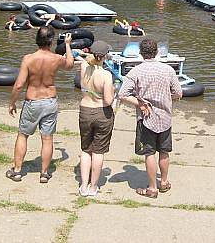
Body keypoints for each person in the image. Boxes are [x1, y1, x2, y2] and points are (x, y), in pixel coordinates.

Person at [6, 27, 74, 183]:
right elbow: (70, 64)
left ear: (37, 39)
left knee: (23, 135)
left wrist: (12, 102)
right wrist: (68, 44)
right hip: (50, 100)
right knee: (47, 138)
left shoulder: (28, 59)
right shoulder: (56, 58)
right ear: (51, 41)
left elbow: (19, 85)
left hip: (33, 101)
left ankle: (17, 171)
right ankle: (44, 173)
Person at [119, 39, 182, 198]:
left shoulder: (135, 72)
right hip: (165, 117)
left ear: (141, 53)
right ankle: (164, 182)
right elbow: (178, 93)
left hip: (146, 119)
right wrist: (168, 98)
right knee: (164, 152)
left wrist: (139, 102)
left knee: (149, 153)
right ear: (157, 52)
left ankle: (152, 188)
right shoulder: (168, 70)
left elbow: (122, 95)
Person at [78, 41, 115, 197]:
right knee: (98, 151)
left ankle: (83, 185)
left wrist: (88, 54)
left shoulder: (83, 67)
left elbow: (84, 58)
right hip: (101, 112)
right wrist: (113, 91)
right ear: (105, 56)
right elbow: (108, 100)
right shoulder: (106, 75)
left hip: (85, 110)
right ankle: (93, 187)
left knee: (86, 150)